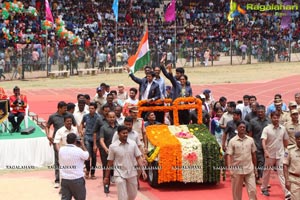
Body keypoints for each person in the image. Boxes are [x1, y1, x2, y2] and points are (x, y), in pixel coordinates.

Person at [104, 125, 147, 200]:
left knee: (133, 195)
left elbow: (138, 157)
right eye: (123, 133)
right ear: (118, 134)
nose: (125, 135)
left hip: (132, 173)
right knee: (122, 195)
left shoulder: (133, 144)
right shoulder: (113, 147)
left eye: (126, 133)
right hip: (119, 173)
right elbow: (110, 162)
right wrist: (106, 177)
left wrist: (143, 170)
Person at [46, 101, 77, 189]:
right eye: (64, 108)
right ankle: (57, 180)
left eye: (66, 108)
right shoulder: (53, 116)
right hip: (58, 142)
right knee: (58, 161)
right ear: (59, 108)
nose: (66, 110)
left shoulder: (69, 116)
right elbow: (47, 126)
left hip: (70, 142)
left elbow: (75, 126)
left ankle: (70, 179)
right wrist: (48, 136)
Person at [261, 111, 290, 198]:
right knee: (267, 171)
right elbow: (263, 140)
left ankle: (287, 192)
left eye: (277, 117)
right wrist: (265, 150)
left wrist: (286, 151)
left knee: (281, 173)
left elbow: (285, 141)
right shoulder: (266, 129)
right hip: (270, 154)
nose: (276, 119)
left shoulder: (283, 129)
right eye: (274, 117)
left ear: (279, 118)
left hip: (280, 154)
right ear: (271, 118)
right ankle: (264, 188)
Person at [227, 120, 257, 200]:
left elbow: (254, 154)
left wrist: (255, 168)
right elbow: (229, 155)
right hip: (236, 171)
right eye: (241, 127)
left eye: (244, 127)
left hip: (249, 169)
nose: (242, 128)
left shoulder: (250, 140)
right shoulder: (232, 141)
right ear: (237, 128)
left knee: (253, 190)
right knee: (236, 193)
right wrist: (230, 169)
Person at [59, 133, 89, 200]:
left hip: (65, 179)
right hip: (77, 179)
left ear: (67, 140)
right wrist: (82, 145)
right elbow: (87, 157)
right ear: (75, 141)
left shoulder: (61, 150)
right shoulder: (79, 150)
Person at [248, 105, 271, 185]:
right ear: (257, 112)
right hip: (256, 145)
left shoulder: (269, 121)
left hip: (267, 146)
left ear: (265, 112)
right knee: (259, 162)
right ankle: (260, 178)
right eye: (259, 112)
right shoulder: (252, 122)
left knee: (265, 163)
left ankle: (260, 178)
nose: (260, 113)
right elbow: (250, 134)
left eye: (262, 112)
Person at [99, 111, 118, 192]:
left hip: (117, 152)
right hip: (106, 152)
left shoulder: (119, 127)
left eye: (113, 117)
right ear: (107, 118)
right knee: (106, 168)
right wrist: (106, 148)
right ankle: (106, 185)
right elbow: (101, 140)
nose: (112, 119)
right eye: (110, 117)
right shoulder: (103, 128)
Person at [80, 103, 99, 179]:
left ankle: (93, 173)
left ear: (95, 109)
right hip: (87, 137)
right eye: (90, 108)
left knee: (94, 157)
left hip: (95, 139)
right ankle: (87, 171)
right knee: (87, 155)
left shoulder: (98, 117)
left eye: (92, 108)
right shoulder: (86, 116)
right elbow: (81, 123)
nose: (91, 110)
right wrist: (81, 130)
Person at [283, 131, 300, 200]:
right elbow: (285, 165)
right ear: (295, 139)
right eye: (298, 138)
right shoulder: (289, 150)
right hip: (294, 180)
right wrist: (287, 180)